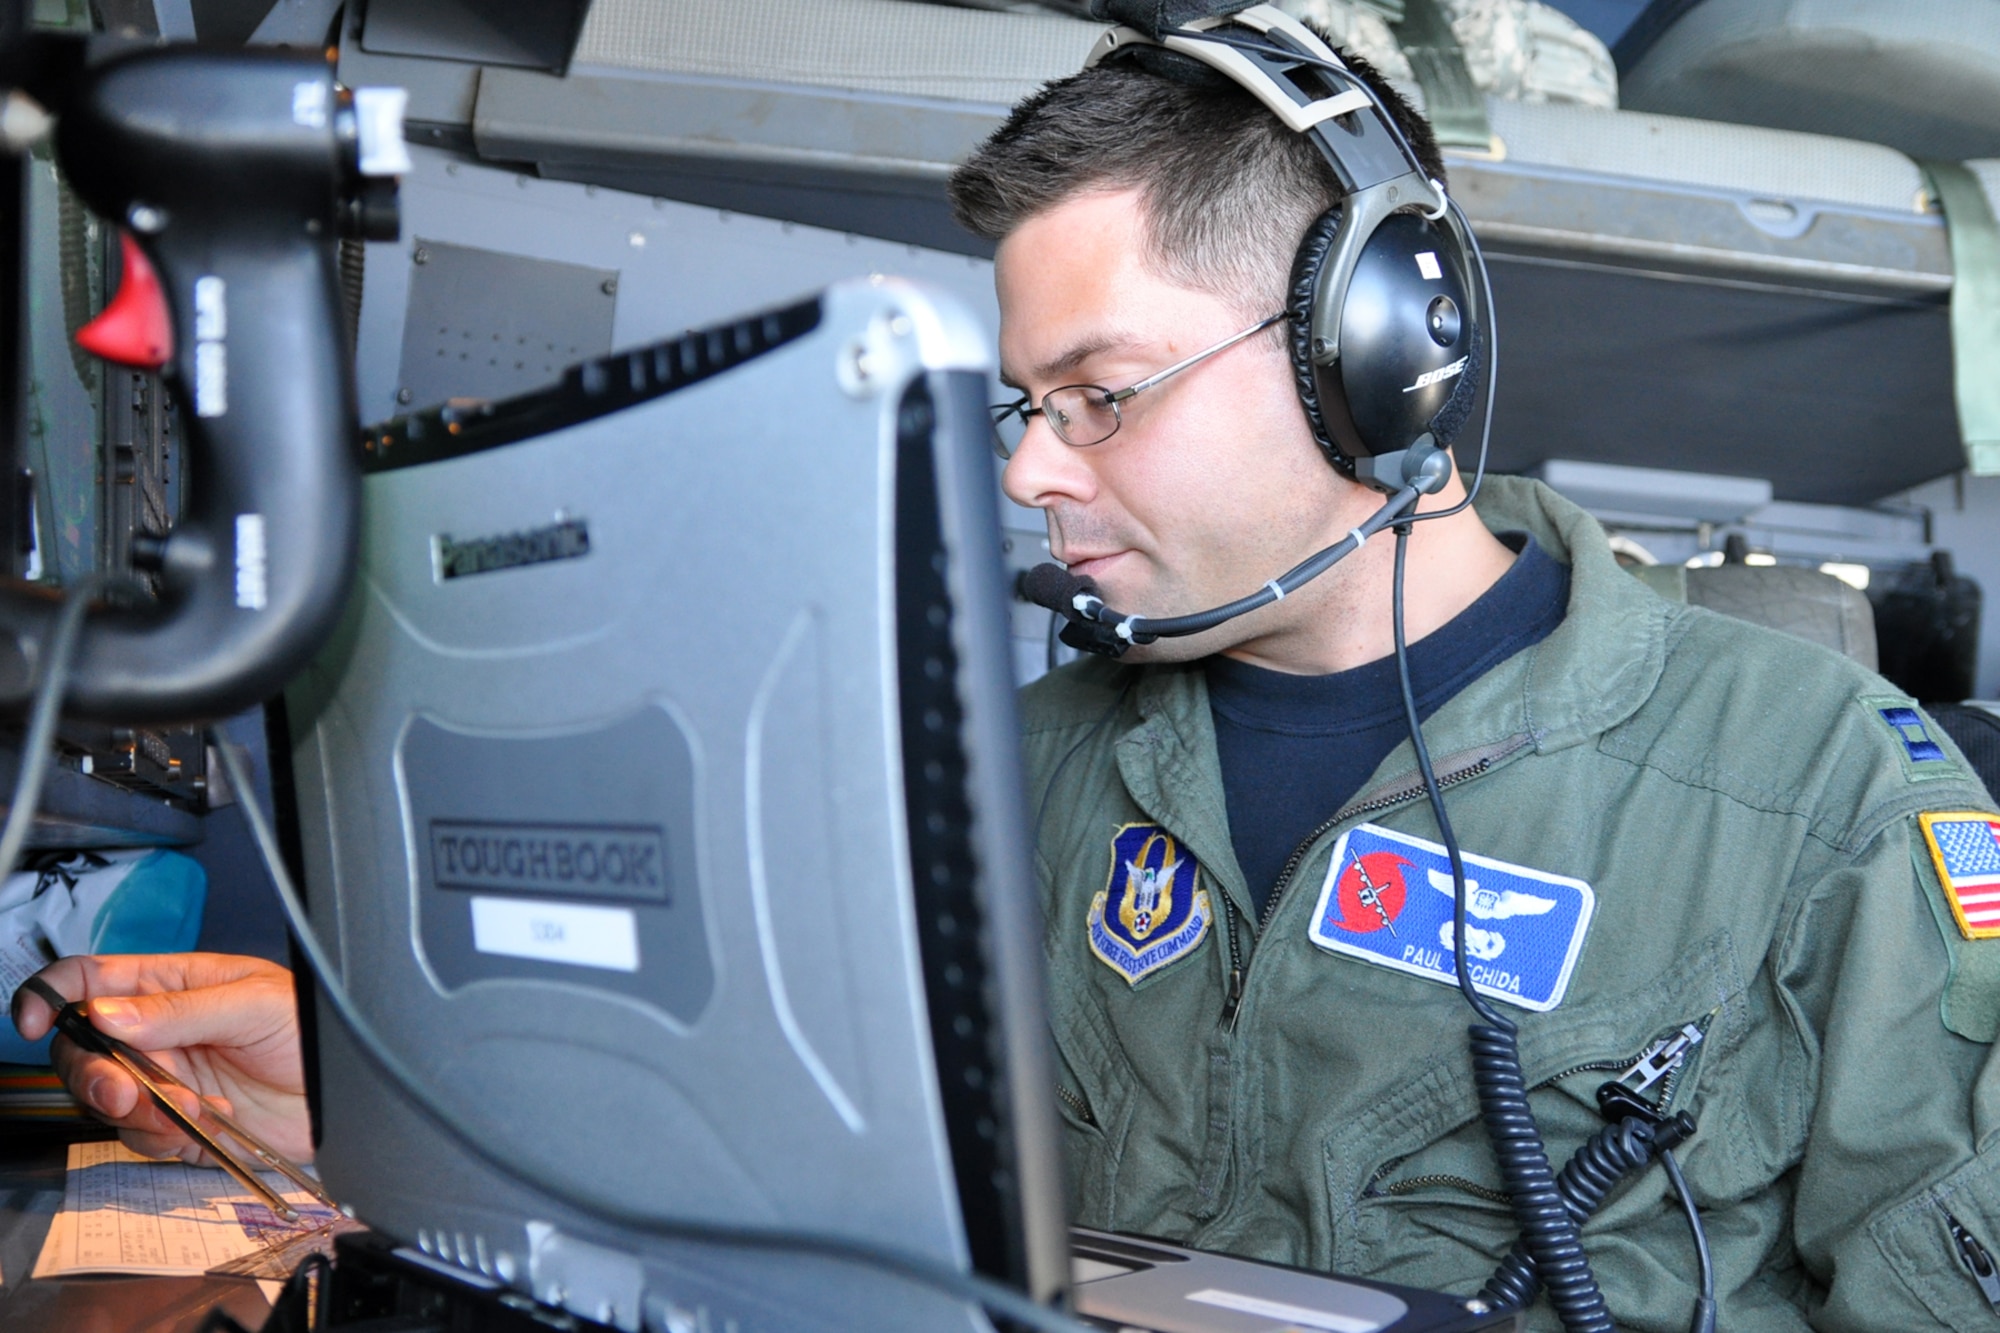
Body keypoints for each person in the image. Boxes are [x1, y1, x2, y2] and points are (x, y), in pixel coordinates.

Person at [13, 16, 2000, 1331]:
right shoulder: (991, 761)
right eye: (1024, 402)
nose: (1034, 470)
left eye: (1100, 396)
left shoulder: (1821, 794)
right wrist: (371, 1099)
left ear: (1379, 353)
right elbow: (762, 1162)